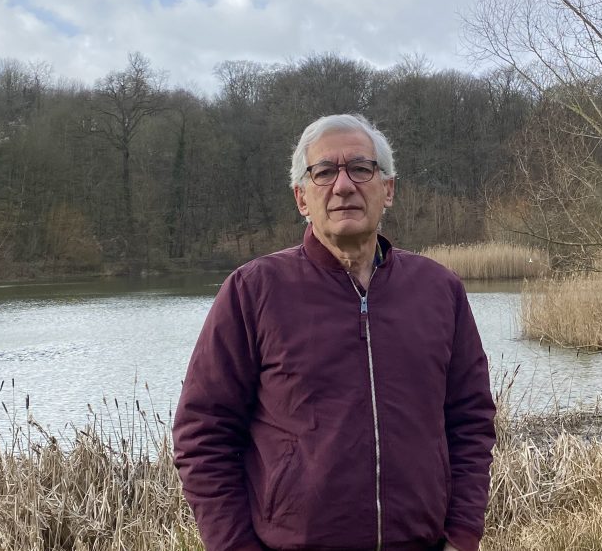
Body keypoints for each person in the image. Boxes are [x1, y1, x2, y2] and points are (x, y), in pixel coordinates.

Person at [173, 114, 496, 551]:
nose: (343, 185)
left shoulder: (440, 290)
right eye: (323, 172)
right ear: (301, 198)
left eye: (361, 169)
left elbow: (471, 421)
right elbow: (202, 433)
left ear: (389, 189)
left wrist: (461, 535)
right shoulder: (253, 290)